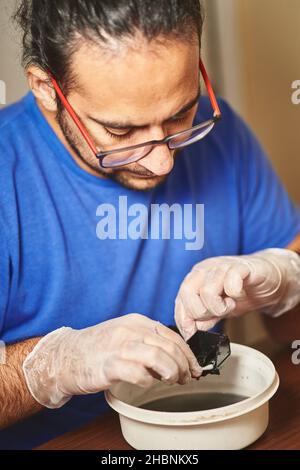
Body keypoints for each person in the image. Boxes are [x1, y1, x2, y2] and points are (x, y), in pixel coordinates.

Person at [0, 0, 300, 449]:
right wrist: (54, 366)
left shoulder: (224, 132)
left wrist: (284, 283)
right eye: (121, 133)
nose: (161, 162)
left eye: (180, 113)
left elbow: (290, 334)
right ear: (46, 87)